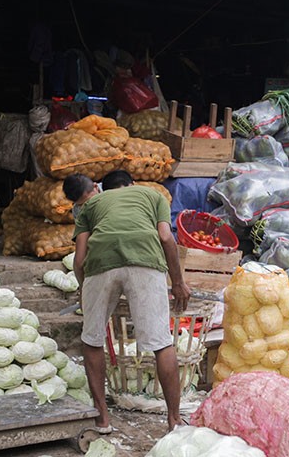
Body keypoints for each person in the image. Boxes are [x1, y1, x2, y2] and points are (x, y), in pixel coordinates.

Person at [64, 170, 191, 432]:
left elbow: (79, 260)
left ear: (104, 189)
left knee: (92, 339)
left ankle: (102, 418)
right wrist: (178, 282)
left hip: (101, 263)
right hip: (146, 261)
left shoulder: (91, 205)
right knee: (162, 343)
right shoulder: (153, 195)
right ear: (132, 184)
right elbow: (166, 237)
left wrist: (84, 288)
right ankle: (174, 419)